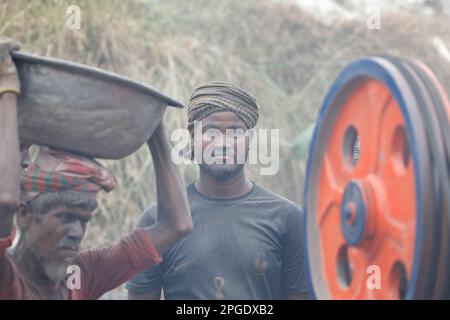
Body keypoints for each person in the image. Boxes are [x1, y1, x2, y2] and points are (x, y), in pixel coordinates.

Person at [0, 39, 193, 299]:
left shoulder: (82, 276)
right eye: (66, 218)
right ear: (24, 215)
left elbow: (177, 225)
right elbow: (5, 200)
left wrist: (152, 121)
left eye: (84, 221)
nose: (77, 233)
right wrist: (8, 88)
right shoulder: (6, 276)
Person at [127, 81, 309, 300]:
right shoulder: (159, 220)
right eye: (210, 132)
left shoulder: (288, 220)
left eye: (235, 132)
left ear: (250, 139)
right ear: (192, 136)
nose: (223, 143)